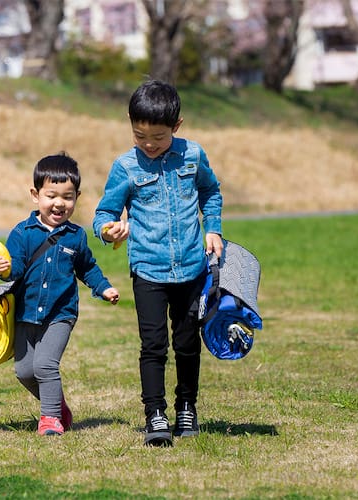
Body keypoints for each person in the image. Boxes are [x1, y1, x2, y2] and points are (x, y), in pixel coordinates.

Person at [93, 80, 223, 447]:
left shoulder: (194, 155)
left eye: (159, 137)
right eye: (140, 136)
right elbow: (103, 212)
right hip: (148, 271)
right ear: (131, 125)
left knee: (187, 343)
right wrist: (108, 229)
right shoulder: (124, 166)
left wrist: (212, 228)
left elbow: (211, 193)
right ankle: (155, 413)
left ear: (177, 126)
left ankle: (186, 406)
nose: (149, 144)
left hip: (192, 269)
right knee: (153, 346)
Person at [0, 152, 120, 436]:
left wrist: (104, 288)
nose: (59, 203)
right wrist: (2, 268)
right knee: (24, 371)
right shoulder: (22, 233)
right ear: (35, 195)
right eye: (52, 195)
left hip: (61, 314)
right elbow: (13, 271)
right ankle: (58, 406)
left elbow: (87, 268)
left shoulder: (76, 236)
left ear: (77, 197)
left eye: (68, 196)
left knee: (45, 365)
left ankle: (50, 419)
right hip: (26, 312)